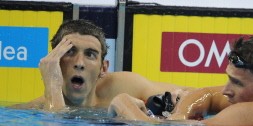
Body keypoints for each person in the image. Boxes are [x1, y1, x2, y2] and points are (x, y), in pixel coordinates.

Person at [109, 32, 253, 126]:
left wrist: (122, 102)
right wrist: (181, 114)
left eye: (237, 83)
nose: (226, 90)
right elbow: (207, 93)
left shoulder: (251, 113)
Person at [10, 19, 192, 111]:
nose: (79, 63)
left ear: (103, 68)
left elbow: (199, 96)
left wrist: (181, 98)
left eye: (90, 54)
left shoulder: (124, 87)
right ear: (53, 61)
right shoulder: (35, 109)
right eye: (69, 52)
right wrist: (52, 89)